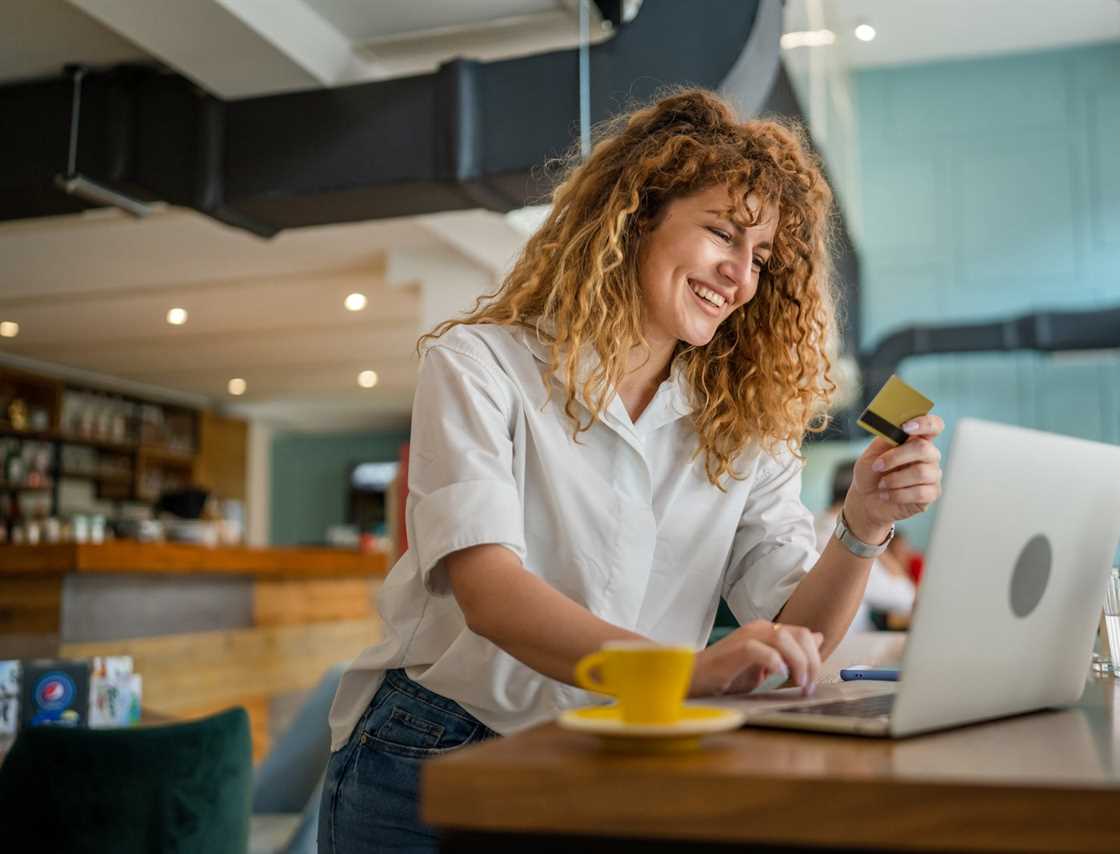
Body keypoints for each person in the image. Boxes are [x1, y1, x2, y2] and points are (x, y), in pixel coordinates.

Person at [318, 89, 945, 853]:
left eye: (761, 259)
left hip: (617, 746)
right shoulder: (482, 366)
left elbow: (794, 639)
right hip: (438, 748)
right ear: (639, 214)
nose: (741, 277)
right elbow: (490, 593)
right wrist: (686, 673)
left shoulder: (743, 420)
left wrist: (863, 524)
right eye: (722, 233)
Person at [814, 459, 916, 632]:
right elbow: (905, 598)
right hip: (847, 647)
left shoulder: (815, 522)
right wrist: (878, 544)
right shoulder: (846, 538)